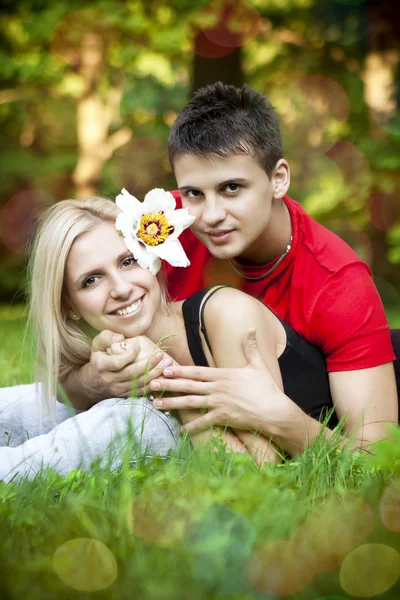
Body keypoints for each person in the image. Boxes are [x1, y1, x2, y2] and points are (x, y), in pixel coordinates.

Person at [61, 82, 398, 456]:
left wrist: (278, 418)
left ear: (278, 179)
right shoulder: (161, 228)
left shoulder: (338, 283)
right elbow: (61, 382)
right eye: (193, 192)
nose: (211, 215)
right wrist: (98, 378)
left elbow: (376, 458)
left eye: (232, 188)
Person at [0, 192, 338, 481]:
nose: (121, 288)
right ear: (68, 306)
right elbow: (62, 390)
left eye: (129, 261)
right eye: (91, 280)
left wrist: (162, 375)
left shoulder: (225, 315)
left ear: (153, 257)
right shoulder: (115, 352)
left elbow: (255, 475)